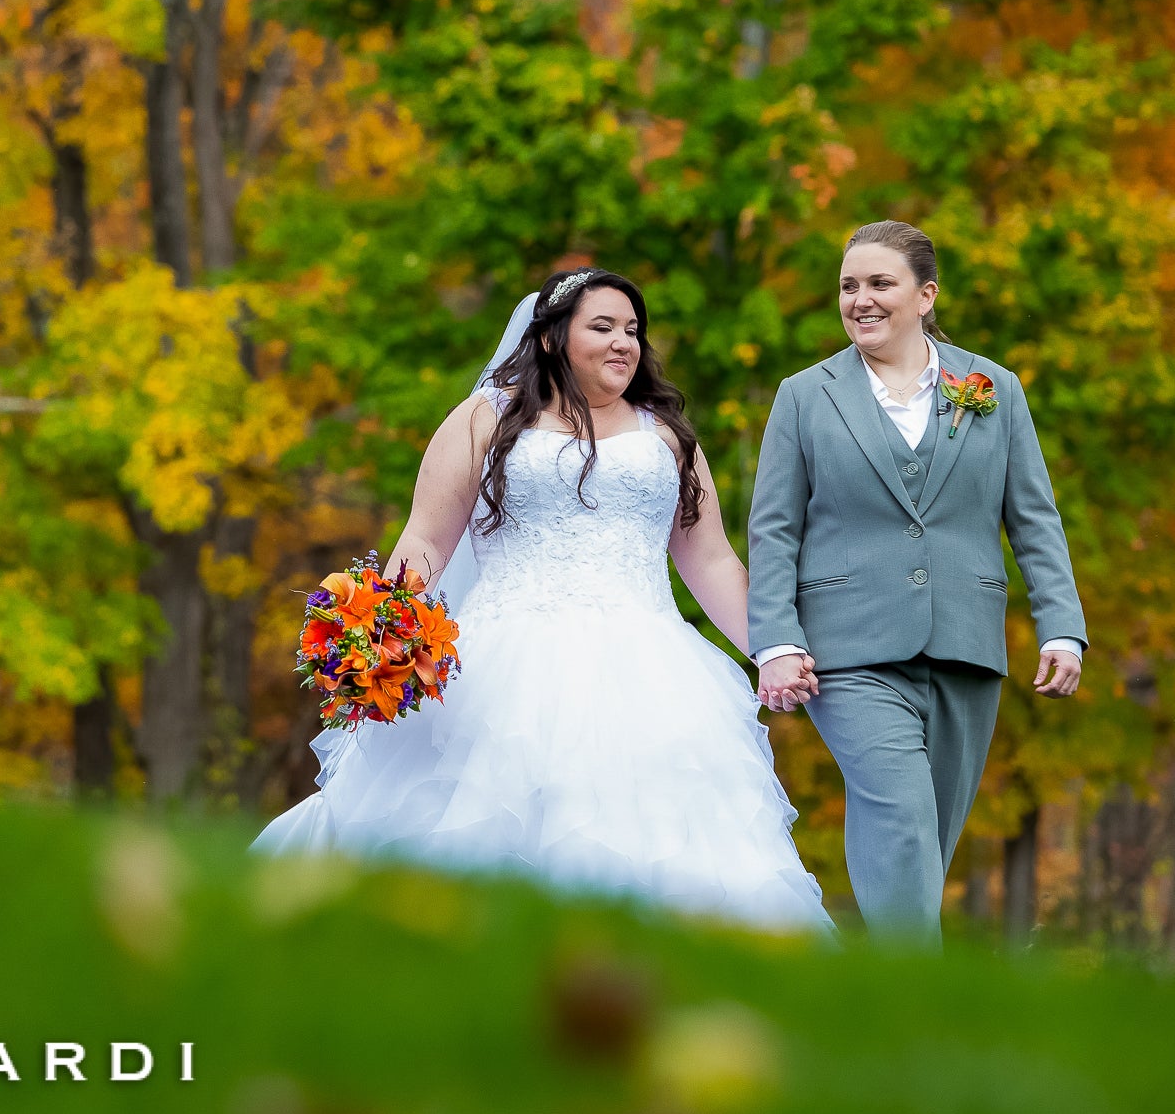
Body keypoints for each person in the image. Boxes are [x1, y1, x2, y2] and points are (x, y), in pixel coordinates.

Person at [252, 268, 832, 936]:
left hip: (652, 675)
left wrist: (774, 648)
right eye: (604, 326)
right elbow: (428, 540)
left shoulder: (668, 435)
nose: (624, 343)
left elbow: (710, 561)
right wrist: (381, 629)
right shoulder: (486, 417)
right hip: (500, 666)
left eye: (633, 330)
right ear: (554, 337)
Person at [748, 220, 1087, 944]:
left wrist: (1062, 624)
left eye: (879, 283)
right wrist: (774, 638)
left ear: (926, 294)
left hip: (966, 644)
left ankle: (880, 999)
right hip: (848, 652)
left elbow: (1033, 517)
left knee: (925, 838)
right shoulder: (805, 396)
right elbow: (773, 528)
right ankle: (918, 995)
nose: (860, 300)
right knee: (899, 814)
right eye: (848, 286)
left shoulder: (992, 388)